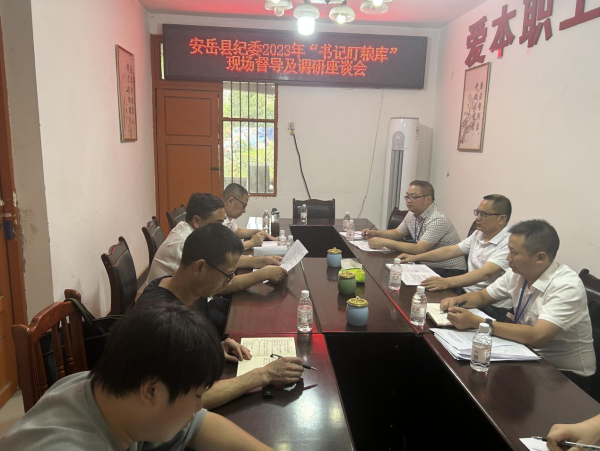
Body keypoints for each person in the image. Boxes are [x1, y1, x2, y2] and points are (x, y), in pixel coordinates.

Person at [0, 300, 273, 451]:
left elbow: (198, 425)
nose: (198, 406)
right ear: (151, 391)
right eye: (197, 396)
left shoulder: (103, 389)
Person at [138, 223, 304, 410]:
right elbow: (189, 400)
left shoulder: (172, 285)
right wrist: (264, 374)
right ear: (199, 268)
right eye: (228, 274)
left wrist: (214, 346)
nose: (230, 281)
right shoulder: (163, 321)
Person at [440, 219, 596, 389]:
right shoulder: (516, 273)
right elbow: (482, 297)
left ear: (540, 257)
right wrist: (457, 301)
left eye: (514, 252)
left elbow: (537, 337)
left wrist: (478, 323)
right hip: (526, 355)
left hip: (565, 376)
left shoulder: (567, 286)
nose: (508, 258)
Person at [399, 194, 513, 319]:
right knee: (419, 304)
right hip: (466, 294)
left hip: (491, 306)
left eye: (483, 214)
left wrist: (446, 282)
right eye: (477, 212)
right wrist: (415, 257)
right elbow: (450, 251)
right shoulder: (479, 233)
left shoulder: (508, 242)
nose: (477, 218)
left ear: (501, 219)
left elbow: (484, 274)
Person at [148, 193, 286, 288]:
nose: (223, 228)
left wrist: (262, 261)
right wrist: (263, 274)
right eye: (218, 223)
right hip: (173, 310)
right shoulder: (184, 244)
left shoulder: (195, 232)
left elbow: (222, 260)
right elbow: (216, 286)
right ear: (197, 221)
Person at [362, 180, 466, 277]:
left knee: (396, 276)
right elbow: (397, 232)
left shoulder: (437, 219)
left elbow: (419, 249)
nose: (408, 201)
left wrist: (385, 242)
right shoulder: (412, 213)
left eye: (414, 197)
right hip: (425, 263)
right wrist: (376, 233)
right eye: (407, 196)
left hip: (448, 269)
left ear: (428, 199)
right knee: (389, 271)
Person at [222, 183, 275, 250]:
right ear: (230, 201)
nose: (244, 211)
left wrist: (258, 231)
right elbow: (226, 250)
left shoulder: (227, 215)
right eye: (243, 206)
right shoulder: (217, 218)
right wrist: (252, 242)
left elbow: (237, 231)